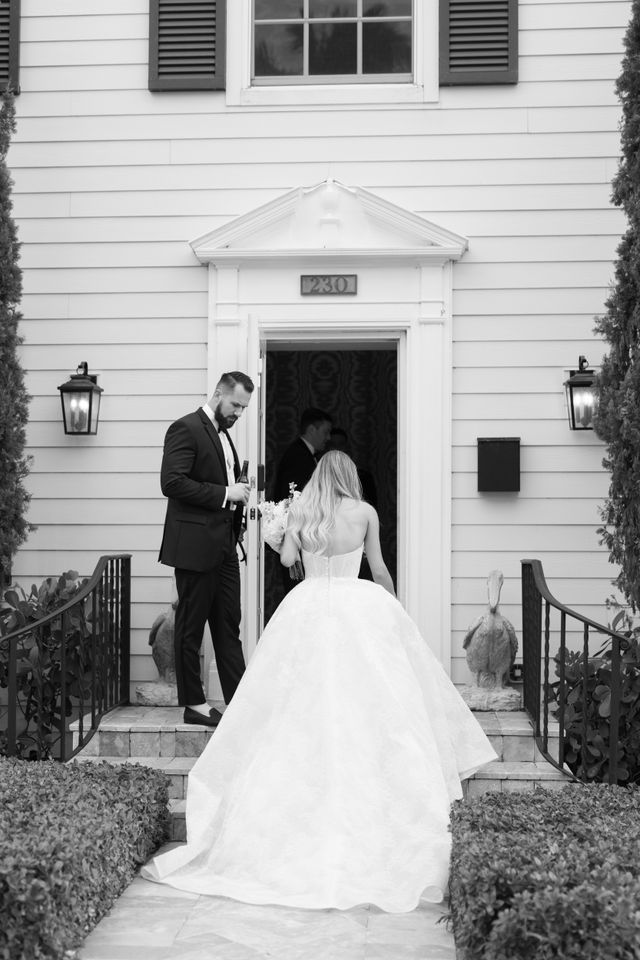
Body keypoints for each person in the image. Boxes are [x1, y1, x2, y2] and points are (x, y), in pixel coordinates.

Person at [143, 451, 497, 911]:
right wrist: (393, 607)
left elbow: (289, 558)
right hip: (358, 603)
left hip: (307, 605)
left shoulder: (303, 511)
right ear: (350, 476)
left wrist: (283, 533)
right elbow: (379, 566)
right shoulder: (365, 512)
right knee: (372, 701)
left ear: (316, 478)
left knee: (297, 702)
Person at [158, 371, 254, 728]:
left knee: (229, 625)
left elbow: (217, 484)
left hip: (225, 546)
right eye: (235, 405)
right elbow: (172, 482)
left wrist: (238, 493)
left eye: (243, 408)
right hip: (195, 547)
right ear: (218, 393)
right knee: (191, 627)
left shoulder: (225, 436)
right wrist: (225, 494)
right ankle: (194, 704)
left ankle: (239, 702)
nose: (238, 413)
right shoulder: (185, 427)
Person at [272, 407, 333, 502]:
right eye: (325, 432)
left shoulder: (302, 452)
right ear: (312, 430)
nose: (328, 437)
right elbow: (292, 494)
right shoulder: (297, 456)